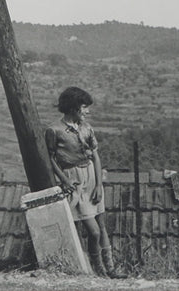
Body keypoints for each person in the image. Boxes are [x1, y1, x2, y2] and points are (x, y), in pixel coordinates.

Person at [44, 86, 125, 278]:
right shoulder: (54, 130)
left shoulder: (87, 128)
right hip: (75, 182)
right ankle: (97, 270)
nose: (87, 111)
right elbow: (50, 159)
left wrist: (99, 185)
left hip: (91, 178)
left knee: (102, 226)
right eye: (84, 107)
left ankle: (110, 269)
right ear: (73, 108)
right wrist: (64, 180)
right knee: (94, 231)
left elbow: (95, 157)